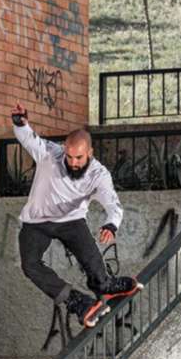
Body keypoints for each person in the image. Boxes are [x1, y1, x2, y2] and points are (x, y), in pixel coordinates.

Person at [11, 103, 141, 331]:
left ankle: (104, 285)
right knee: (29, 265)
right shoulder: (51, 154)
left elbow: (113, 203)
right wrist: (20, 123)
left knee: (90, 256)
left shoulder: (99, 174)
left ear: (90, 153)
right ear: (64, 149)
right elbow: (30, 139)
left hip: (71, 221)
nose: (73, 163)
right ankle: (77, 301)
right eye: (70, 157)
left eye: (79, 158)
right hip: (37, 222)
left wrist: (111, 224)